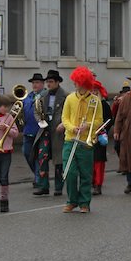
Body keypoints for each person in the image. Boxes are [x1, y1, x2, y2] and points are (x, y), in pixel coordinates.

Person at [61, 66, 103, 213]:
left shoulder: (95, 100)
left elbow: (99, 120)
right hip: (70, 139)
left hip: (86, 142)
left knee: (86, 174)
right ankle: (72, 201)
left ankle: (84, 202)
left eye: (77, 81)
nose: (75, 84)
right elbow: (64, 118)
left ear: (84, 82)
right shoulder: (70, 98)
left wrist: (88, 125)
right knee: (70, 173)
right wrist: (72, 127)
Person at [33, 70, 68, 196]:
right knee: (42, 157)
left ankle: (58, 187)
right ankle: (43, 186)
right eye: (47, 82)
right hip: (45, 130)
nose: (49, 84)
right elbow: (36, 110)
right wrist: (40, 121)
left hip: (58, 131)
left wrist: (64, 123)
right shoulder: (43, 95)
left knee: (59, 160)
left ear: (57, 82)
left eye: (51, 82)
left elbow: (68, 113)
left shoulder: (65, 96)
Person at [22, 73, 47, 187]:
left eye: (37, 82)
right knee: (27, 153)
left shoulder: (45, 95)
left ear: (42, 84)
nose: (34, 85)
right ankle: (37, 174)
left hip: (40, 130)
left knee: (38, 156)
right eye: (33, 83)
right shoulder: (28, 96)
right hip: (28, 129)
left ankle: (38, 178)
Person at [92, 79, 113, 195]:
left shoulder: (104, 104)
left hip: (100, 135)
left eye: (95, 90)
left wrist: (103, 128)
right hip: (88, 134)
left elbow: (110, 119)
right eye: (92, 90)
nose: (94, 92)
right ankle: (92, 181)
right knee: (90, 160)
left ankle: (98, 184)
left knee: (99, 161)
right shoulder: (88, 104)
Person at [111, 82, 130, 160]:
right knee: (117, 146)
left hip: (128, 127)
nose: (124, 95)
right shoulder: (118, 102)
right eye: (124, 94)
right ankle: (122, 161)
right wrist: (115, 104)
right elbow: (113, 114)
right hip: (120, 127)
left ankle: (126, 164)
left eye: (127, 93)